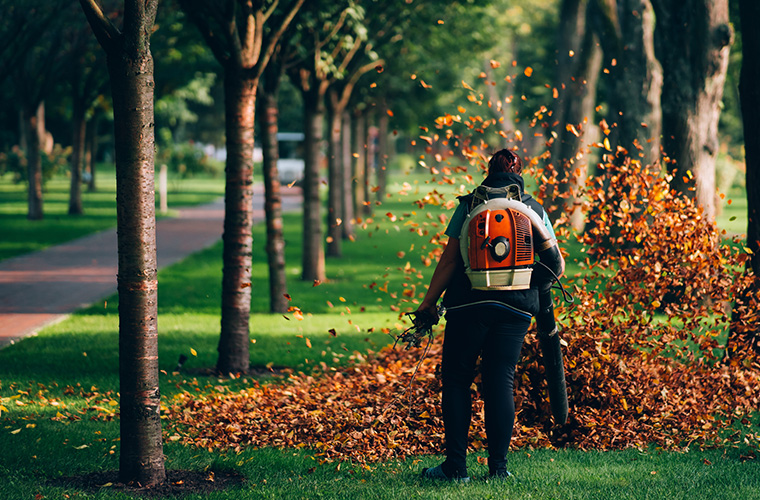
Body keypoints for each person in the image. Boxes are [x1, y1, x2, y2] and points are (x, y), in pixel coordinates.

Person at [416, 148, 563, 482]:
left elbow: (451, 261)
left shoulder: (469, 205)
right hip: (515, 308)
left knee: (457, 380)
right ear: (519, 172)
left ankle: (455, 467)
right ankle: (498, 469)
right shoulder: (532, 208)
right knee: (500, 381)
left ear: (488, 171)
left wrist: (428, 303)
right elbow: (555, 264)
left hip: (468, 305)